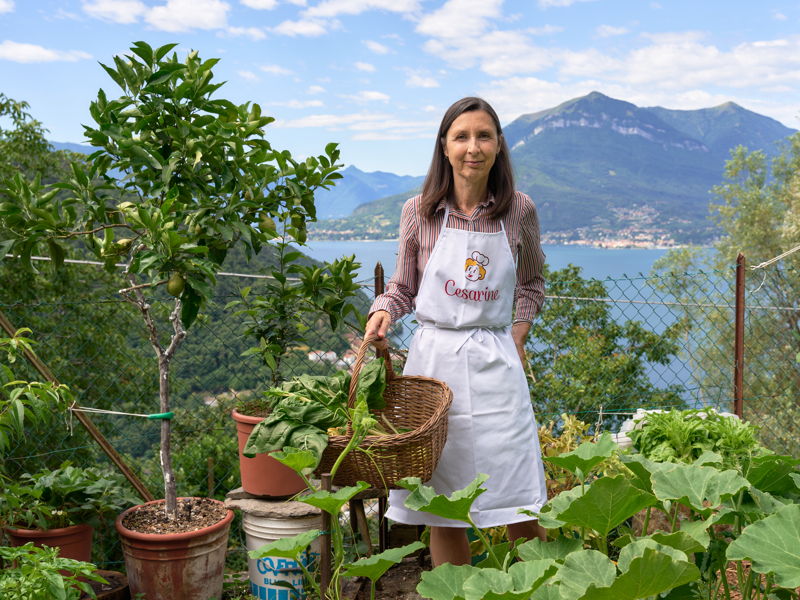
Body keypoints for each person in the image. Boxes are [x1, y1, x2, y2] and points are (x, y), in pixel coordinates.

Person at [364, 97, 548, 567]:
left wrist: (519, 335)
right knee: (443, 506)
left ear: (499, 145)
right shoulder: (419, 211)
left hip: (496, 362)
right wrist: (383, 311)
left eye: (483, 136)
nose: (473, 147)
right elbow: (403, 287)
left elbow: (530, 283)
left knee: (518, 498)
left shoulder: (519, 210)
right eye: (461, 136)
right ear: (444, 147)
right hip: (435, 365)